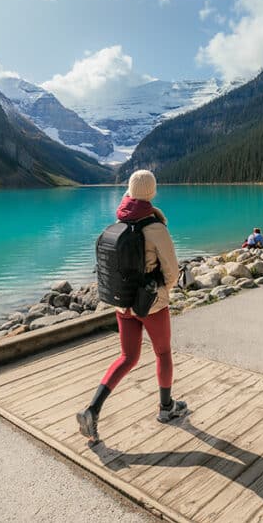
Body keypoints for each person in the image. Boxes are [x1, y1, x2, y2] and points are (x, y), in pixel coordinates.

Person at [78, 170, 186, 442]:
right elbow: (172, 272)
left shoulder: (119, 222)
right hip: (151, 304)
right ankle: (166, 408)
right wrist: (161, 290)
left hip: (123, 302)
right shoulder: (155, 228)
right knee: (163, 353)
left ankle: (92, 409)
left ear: (129, 191)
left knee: (127, 357)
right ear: (152, 192)